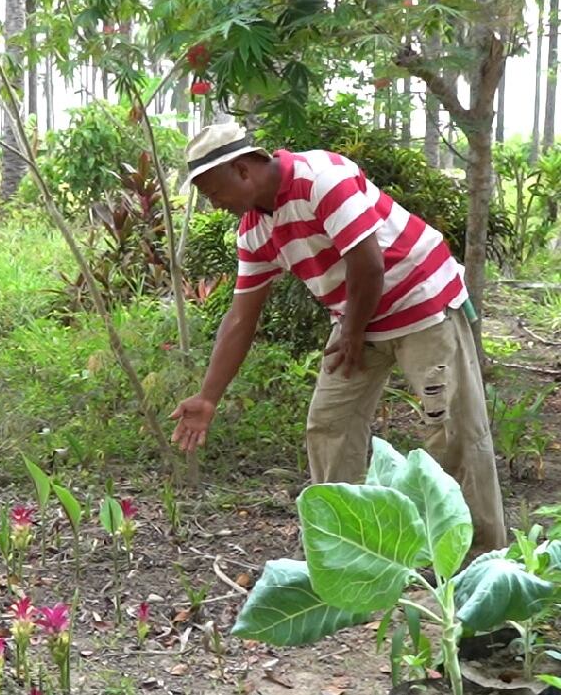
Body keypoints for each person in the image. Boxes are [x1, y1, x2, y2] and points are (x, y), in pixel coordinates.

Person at [170, 122, 506, 551]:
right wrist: (208, 397)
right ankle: (348, 553)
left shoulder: (321, 177)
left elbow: (368, 262)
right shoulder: (255, 230)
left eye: (214, 192)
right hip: (356, 319)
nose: (215, 205)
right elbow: (241, 317)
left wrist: (351, 332)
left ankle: (483, 570)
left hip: (421, 302)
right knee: (330, 425)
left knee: (454, 430)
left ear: (241, 170)